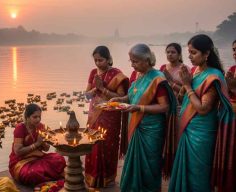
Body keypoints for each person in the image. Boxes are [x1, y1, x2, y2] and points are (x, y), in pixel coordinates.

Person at [169, 34, 235, 192]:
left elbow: (203, 109)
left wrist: (187, 85)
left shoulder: (213, 76)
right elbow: (181, 98)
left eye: (194, 53)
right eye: (189, 52)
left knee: (198, 175)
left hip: (202, 134)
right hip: (187, 129)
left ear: (206, 54)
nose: (190, 57)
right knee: (185, 172)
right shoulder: (194, 71)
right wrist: (182, 84)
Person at [110, 44, 177, 191]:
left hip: (151, 129)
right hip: (136, 125)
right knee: (134, 161)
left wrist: (139, 108)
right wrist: (120, 100)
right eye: (131, 61)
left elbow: (164, 106)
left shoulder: (157, 79)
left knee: (150, 164)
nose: (133, 65)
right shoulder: (139, 76)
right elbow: (133, 96)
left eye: (135, 61)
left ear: (147, 60)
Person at [84, 45, 129, 188]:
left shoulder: (117, 74)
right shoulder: (93, 73)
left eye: (101, 60)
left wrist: (103, 88)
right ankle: (92, 177)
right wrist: (93, 90)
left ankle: (107, 178)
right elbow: (86, 95)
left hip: (110, 116)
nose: (98, 63)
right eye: (96, 60)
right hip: (94, 113)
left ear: (109, 59)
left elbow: (121, 97)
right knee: (93, 144)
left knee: (107, 145)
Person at [9, 103, 66, 186]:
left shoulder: (41, 127)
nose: (38, 119)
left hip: (38, 157)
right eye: (35, 117)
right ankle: (47, 177)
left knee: (59, 159)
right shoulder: (20, 128)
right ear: (27, 117)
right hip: (21, 161)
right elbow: (18, 151)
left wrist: (43, 142)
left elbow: (46, 149)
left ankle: (44, 178)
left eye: (39, 117)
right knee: (32, 174)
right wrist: (37, 144)